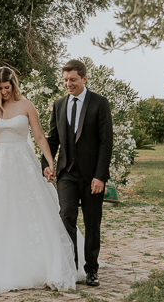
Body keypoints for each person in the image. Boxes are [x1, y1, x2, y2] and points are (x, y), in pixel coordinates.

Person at [0, 66, 81, 296]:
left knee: (31, 209)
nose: (4, 92)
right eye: (0, 88)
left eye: (7, 87)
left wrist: (49, 162)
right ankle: (0, 263)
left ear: (14, 84)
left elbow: (39, 136)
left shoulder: (26, 106)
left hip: (23, 163)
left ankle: (41, 263)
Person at [42, 59, 113, 287]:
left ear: (84, 78)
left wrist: (100, 176)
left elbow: (106, 142)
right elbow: (52, 140)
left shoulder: (100, 103)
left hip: (92, 175)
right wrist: (46, 163)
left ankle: (91, 269)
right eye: (65, 80)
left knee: (92, 223)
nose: (68, 84)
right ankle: (70, 268)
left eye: (72, 79)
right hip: (66, 173)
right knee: (66, 217)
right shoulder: (59, 104)